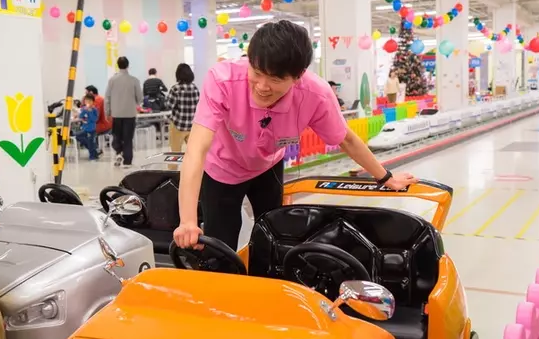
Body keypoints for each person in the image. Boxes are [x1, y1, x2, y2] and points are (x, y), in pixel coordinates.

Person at [173, 20, 418, 251]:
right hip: (222, 167)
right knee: (219, 243)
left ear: (298, 76)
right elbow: (196, 149)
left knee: (273, 237)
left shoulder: (316, 95)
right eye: (257, 72)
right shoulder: (222, 80)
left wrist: (385, 177)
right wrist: (187, 221)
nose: (262, 86)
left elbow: (346, 139)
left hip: (268, 166)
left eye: (275, 79)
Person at [105, 56, 143, 167]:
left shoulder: (112, 80)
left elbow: (107, 98)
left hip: (116, 114)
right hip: (130, 113)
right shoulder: (134, 80)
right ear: (128, 65)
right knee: (128, 138)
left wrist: (108, 112)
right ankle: (127, 161)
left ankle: (118, 152)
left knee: (117, 135)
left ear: (117, 65)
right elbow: (140, 98)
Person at [165, 63, 200, 170]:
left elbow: (169, 105)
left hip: (178, 126)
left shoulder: (175, 89)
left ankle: (172, 174)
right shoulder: (195, 88)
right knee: (193, 153)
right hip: (192, 126)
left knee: (175, 153)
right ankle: (194, 174)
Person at [85, 85, 112, 156]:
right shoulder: (100, 98)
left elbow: (96, 117)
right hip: (107, 123)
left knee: (82, 134)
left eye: (86, 93)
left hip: (102, 125)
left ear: (91, 92)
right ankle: (95, 149)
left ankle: (95, 151)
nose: (85, 95)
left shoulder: (97, 100)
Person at [75, 95, 98, 160]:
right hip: (84, 129)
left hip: (91, 129)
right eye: (86, 101)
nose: (88, 102)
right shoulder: (83, 109)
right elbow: (80, 116)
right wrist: (85, 110)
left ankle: (93, 156)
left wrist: (90, 112)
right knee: (78, 136)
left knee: (91, 142)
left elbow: (95, 119)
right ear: (84, 102)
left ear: (93, 102)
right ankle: (94, 151)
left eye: (90, 101)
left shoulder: (94, 110)